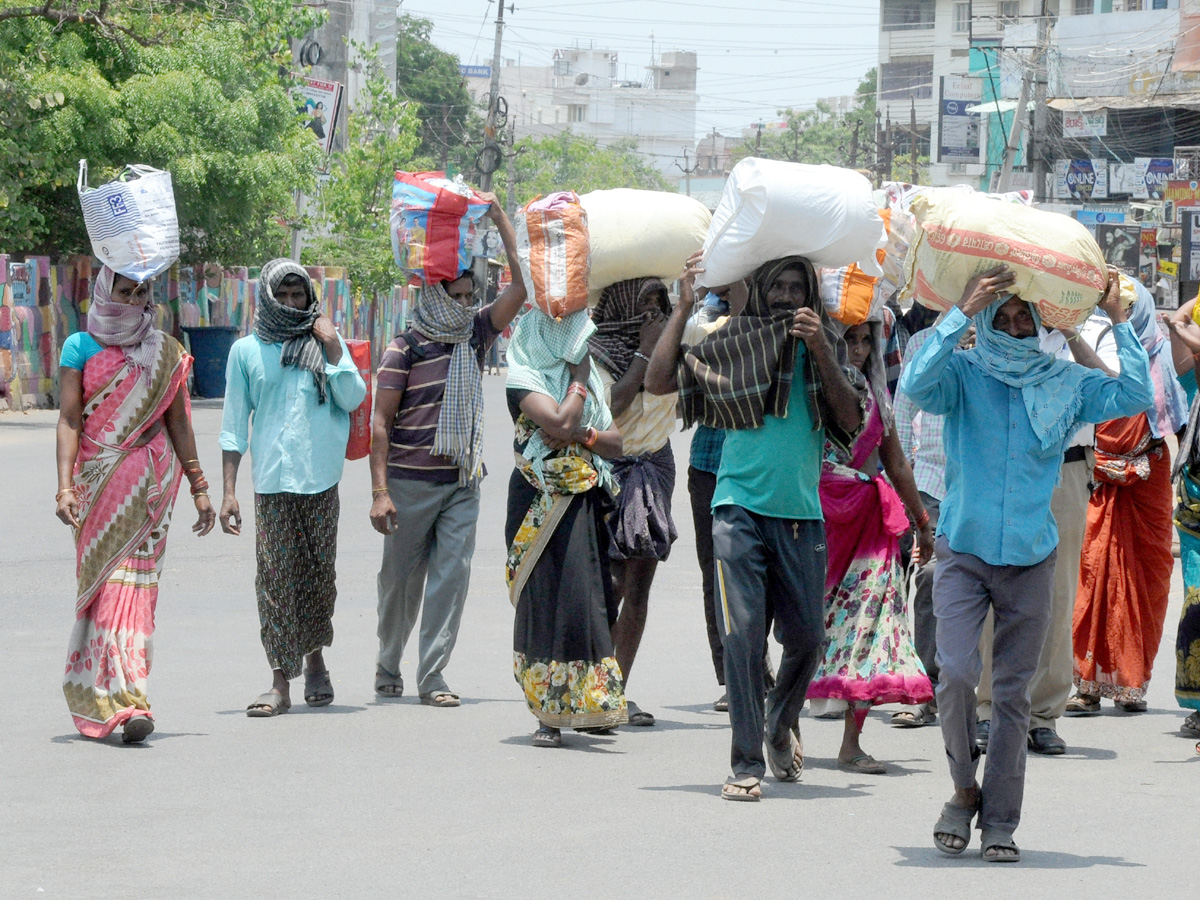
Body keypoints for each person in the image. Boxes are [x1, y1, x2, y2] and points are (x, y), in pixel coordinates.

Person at [900, 265, 1152, 862]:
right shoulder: (961, 372)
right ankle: (964, 789)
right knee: (957, 676)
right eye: (1003, 318)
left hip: (1031, 558)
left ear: (1038, 324)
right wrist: (962, 310)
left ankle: (1000, 824)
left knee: (1012, 696)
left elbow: (1134, 396)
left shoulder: (1062, 381)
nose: (1013, 328)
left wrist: (1112, 322)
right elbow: (912, 382)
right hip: (963, 552)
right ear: (987, 323)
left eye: (1024, 319)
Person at [655, 255, 865, 801]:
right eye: (778, 287)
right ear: (762, 291)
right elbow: (658, 379)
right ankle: (746, 762)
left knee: (808, 638)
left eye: (798, 288)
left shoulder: (830, 348)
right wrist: (682, 308)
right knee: (742, 637)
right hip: (736, 509)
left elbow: (851, 419)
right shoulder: (736, 340)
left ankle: (779, 721)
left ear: (810, 296)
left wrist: (819, 347)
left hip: (801, 517)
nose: (786, 297)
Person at [370, 194, 526, 707]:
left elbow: (521, 290)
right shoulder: (405, 347)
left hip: (461, 478)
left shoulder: (475, 335)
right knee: (399, 584)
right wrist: (379, 493)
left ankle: (432, 675)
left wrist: (502, 220)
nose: (465, 306)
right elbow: (381, 423)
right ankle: (387, 661)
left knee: (451, 578)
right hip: (409, 484)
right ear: (435, 295)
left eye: (469, 297)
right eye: (457, 297)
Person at [56, 267, 216, 743]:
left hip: (151, 484)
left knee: (136, 592)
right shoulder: (80, 346)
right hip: (97, 483)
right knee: (106, 589)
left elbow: (180, 421)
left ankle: (132, 702)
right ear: (105, 291)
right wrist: (64, 487)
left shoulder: (164, 349)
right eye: (123, 290)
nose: (131, 299)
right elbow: (68, 419)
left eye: (140, 291)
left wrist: (199, 486)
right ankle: (102, 696)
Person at [219, 259, 367, 717]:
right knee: (275, 580)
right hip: (272, 483)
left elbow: (353, 398)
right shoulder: (246, 350)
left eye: (296, 295)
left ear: (308, 297)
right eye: (281, 295)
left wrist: (334, 349)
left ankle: (316, 657)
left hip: (321, 479)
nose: (289, 303)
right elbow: (232, 427)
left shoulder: (327, 342)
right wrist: (228, 492)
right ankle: (280, 680)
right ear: (266, 296)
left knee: (320, 576)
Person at [644, 262, 775, 713]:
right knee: (716, 576)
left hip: (762, 469)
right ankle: (733, 673)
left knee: (765, 575)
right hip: (710, 466)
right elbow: (663, 381)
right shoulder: (706, 330)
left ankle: (757, 663)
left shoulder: (771, 329)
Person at [806, 315, 934, 774]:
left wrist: (921, 521)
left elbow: (895, 461)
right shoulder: (812, 389)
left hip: (870, 525)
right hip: (820, 520)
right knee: (806, 630)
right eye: (849, 339)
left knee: (869, 627)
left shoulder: (879, 394)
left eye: (866, 341)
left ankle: (851, 743)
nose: (858, 349)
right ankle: (786, 731)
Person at [974, 316, 1103, 756]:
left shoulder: (1093, 328)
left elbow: (1114, 391)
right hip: (1007, 468)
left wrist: (1070, 331)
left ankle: (1043, 715)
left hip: (1067, 469)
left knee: (1058, 593)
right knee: (999, 590)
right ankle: (990, 709)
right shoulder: (1000, 323)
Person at [503, 306, 627, 747]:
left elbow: (613, 443)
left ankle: (591, 705)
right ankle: (547, 717)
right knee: (544, 602)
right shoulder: (523, 375)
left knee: (586, 601)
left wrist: (580, 435)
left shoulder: (591, 385)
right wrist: (577, 375)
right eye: (575, 337)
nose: (581, 346)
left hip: (583, 504)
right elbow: (560, 420)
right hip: (538, 504)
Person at [1066, 285, 1187, 715]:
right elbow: (1103, 392)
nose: (1125, 312)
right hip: (1099, 478)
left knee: (1146, 581)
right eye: (1121, 305)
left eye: (1132, 306)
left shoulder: (1160, 352)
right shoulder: (1096, 340)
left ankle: (1132, 680)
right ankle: (1087, 685)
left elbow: (1176, 423)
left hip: (1147, 482)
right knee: (1093, 576)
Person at [588, 277, 678, 726]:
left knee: (639, 586)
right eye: (643, 309)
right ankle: (592, 686)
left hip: (655, 467)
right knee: (610, 585)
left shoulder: (675, 345)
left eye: (659, 309)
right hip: (611, 472)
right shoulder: (597, 353)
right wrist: (644, 350)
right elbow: (614, 405)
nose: (653, 319)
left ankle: (616, 691)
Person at [890, 306, 949, 730]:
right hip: (927, 479)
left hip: (977, 485)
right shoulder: (921, 342)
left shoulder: (1003, 343)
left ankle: (959, 687)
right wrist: (903, 480)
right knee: (924, 580)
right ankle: (922, 687)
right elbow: (901, 414)